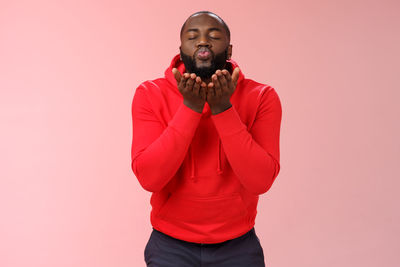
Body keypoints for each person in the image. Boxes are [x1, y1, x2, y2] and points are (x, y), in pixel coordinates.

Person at [131, 10, 282, 267]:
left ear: (230, 49)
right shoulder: (150, 93)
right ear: (181, 50)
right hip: (170, 246)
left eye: (214, 35)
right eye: (193, 36)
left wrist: (223, 109)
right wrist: (190, 108)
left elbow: (260, 181)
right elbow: (149, 177)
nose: (203, 42)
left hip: (238, 246)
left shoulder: (261, 96)